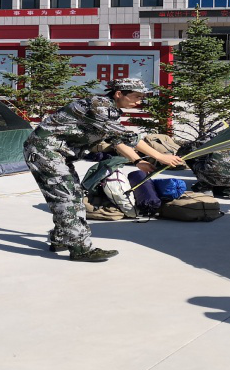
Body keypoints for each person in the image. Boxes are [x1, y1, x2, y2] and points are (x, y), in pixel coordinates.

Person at [25, 77, 183, 262]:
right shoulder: (99, 106)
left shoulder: (109, 110)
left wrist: (138, 160)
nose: (139, 102)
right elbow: (126, 136)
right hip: (45, 151)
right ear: (119, 94)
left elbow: (116, 140)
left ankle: (61, 238)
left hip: (56, 153)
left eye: (141, 97)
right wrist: (159, 156)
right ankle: (81, 249)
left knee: (73, 195)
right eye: (136, 97)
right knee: (67, 197)